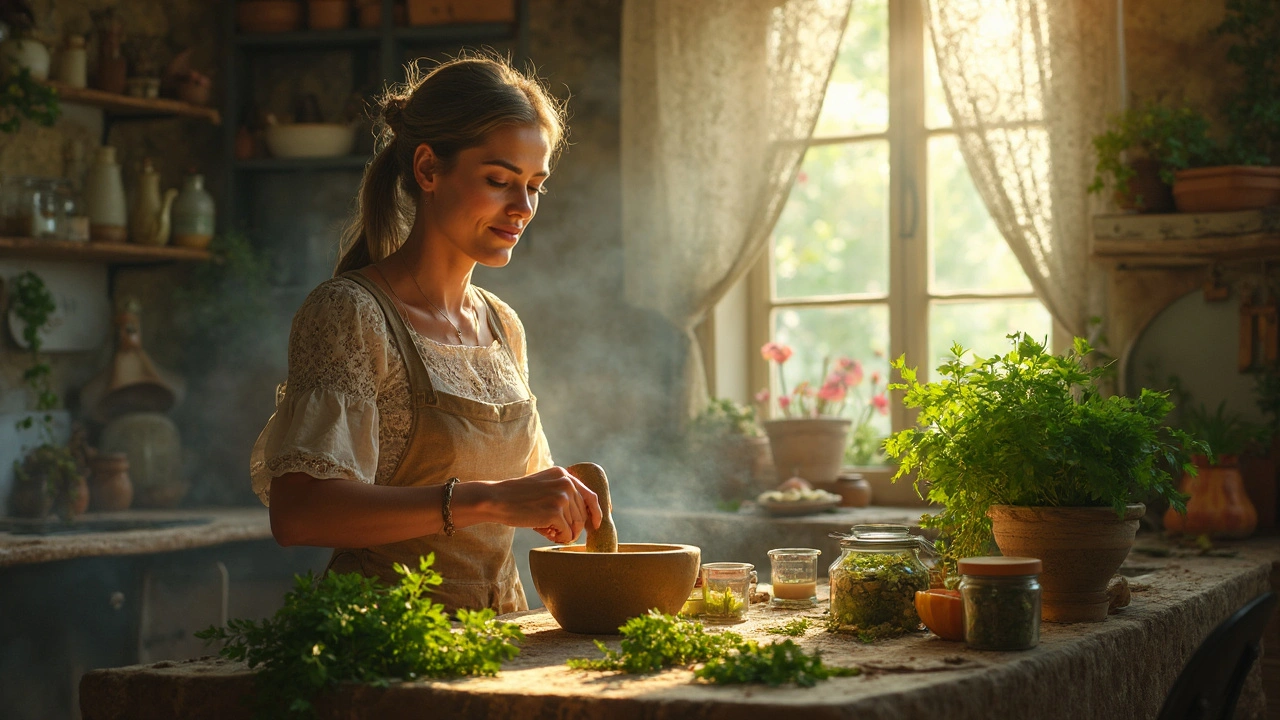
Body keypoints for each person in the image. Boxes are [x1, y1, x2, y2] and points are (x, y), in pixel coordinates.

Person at [249, 55, 601, 615]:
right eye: (499, 180)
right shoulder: (350, 313)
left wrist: (556, 502)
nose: (523, 208)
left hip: (496, 638)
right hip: (384, 644)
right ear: (428, 169)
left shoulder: (502, 326)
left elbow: (520, 496)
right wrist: (489, 501)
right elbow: (300, 514)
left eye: (536, 186)